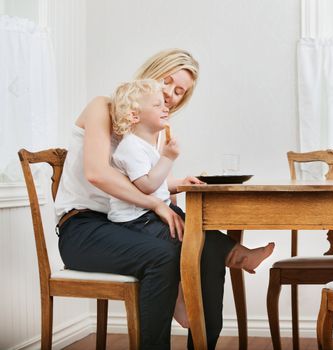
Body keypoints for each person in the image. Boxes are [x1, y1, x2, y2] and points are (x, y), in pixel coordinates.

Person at [54, 49, 272, 350]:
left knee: (204, 248)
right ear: (150, 72)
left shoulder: (150, 131)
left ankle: (203, 343)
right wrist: (156, 204)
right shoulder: (101, 108)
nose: (170, 93)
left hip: (125, 225)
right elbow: (98, 174)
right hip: (83, 229)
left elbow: (139, 182)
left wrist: (178, 184)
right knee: (165, 255)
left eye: (179, 91)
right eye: (166, 81)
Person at [107, 78, 274, 328]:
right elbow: (147, 185)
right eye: (157, 104)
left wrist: (181, 180)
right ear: (134, 116)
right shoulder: (130, 147)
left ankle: (235, 260)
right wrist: (169, 158)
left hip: (150, 215)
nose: (166, 106)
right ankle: (238, 258)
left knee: (199, 231)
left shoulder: (147, 146)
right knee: (192, 237)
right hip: (135, 220)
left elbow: (158, 184)